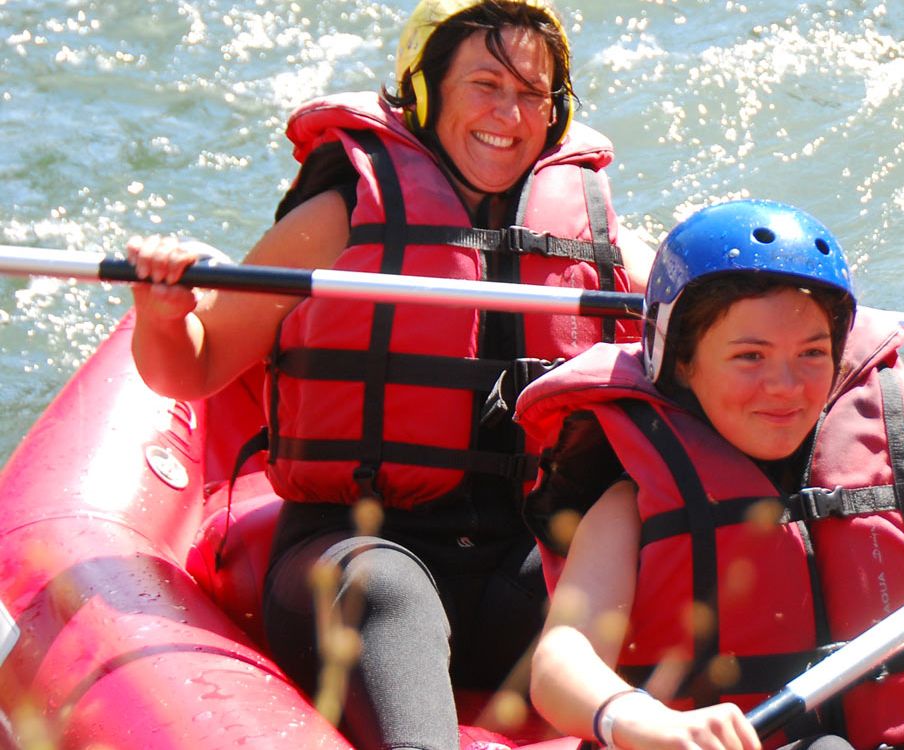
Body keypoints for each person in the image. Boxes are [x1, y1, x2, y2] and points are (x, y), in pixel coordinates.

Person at [122, 1, 643, 747]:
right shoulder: (339, 217)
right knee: (388, 587)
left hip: (511, 561)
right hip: (350, 555)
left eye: (533, 92)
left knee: (629, 566)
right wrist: (164, 311)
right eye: (485, 84)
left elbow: (693, 344)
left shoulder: (591, 236)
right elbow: (197, 366)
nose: (510, 113)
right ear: (425, 92)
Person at [515, 200, 904, 750]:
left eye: (811, 353)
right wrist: (636, 717)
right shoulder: (630, 506)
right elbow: (559, 663)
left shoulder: (891, 472)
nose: (785, 386)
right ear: (680, 363)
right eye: (749, 356)